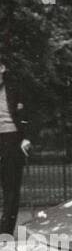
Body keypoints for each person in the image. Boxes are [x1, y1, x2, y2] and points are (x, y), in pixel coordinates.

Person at [0, 57, 34, 238]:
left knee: (11, 187)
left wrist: (26, 138)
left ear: (2, 68)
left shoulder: (14, 89)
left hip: (12, 139)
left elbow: (28, 115)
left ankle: (4, 232)